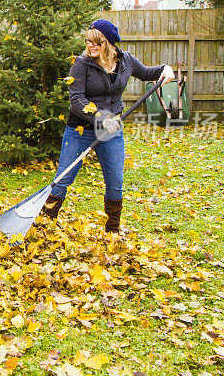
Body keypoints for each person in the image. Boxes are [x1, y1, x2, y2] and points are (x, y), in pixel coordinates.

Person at [42, 19, 174, 233]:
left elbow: (149, 73)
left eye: (97, 42)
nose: (91, 46)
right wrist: (103, 117)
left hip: (111, 132)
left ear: (110, 43)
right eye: (88, 41)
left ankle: (112, 231)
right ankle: (44, 224)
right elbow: (77, 101)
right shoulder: (81, 64)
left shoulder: (126, 61)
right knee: (63, 179)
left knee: (115, 181)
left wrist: (165, 69)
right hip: (80, 130)